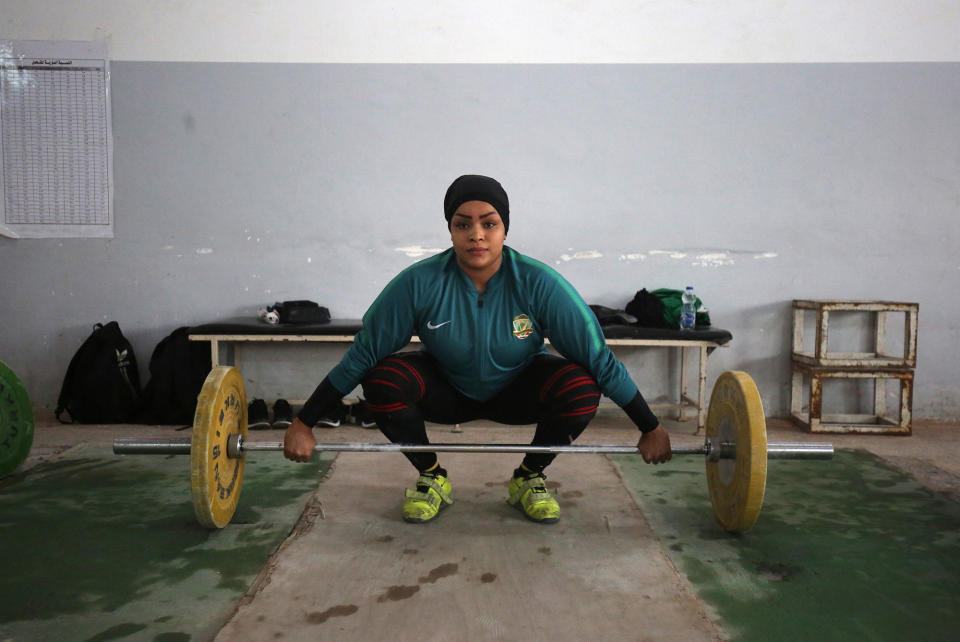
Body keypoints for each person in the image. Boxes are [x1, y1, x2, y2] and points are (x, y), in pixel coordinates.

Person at [284, 175, 671, 524]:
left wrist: (649, 426)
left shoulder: (539, 284)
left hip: (517, 390)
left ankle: (529, 478)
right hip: (448, 389)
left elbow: (598, 358)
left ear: (505, 229)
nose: (477, 235)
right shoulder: (420, 283)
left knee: (581, 384)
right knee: (382, 378)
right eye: (463, 224)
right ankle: (432, 476)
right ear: (450, 230)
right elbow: (364, 353)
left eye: (489, 223)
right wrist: (304, 422)